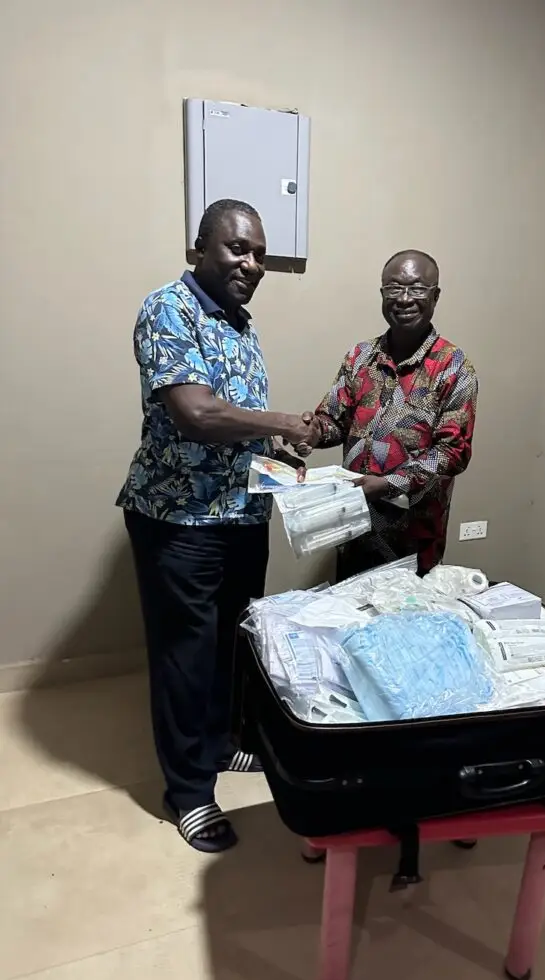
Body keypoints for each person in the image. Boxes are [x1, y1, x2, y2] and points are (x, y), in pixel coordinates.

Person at [117, 199, 319, 853]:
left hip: (241, 516)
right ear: (198, 248)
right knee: (186, 657)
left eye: (259, 253)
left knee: (230, 647)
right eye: (237, 248)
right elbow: (197, 415)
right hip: (180, 521)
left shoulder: (241, 326)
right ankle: (187, 792)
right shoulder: (168, 310)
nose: (251, 263)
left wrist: (280, 455)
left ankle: (217, 745)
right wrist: (283, 421)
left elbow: (235, 429)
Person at [311, 250, 478, 579]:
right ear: (382, 293)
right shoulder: (360, 356)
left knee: (405, 611)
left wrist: (388, 484)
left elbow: (452, 452)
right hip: (353, 525)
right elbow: (334, 422)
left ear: (435, 296)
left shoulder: (453, 366)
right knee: (348, 605)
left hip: (412, 538)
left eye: (417, 288)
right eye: (394, 288)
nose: (404, 298)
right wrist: (309, 432)